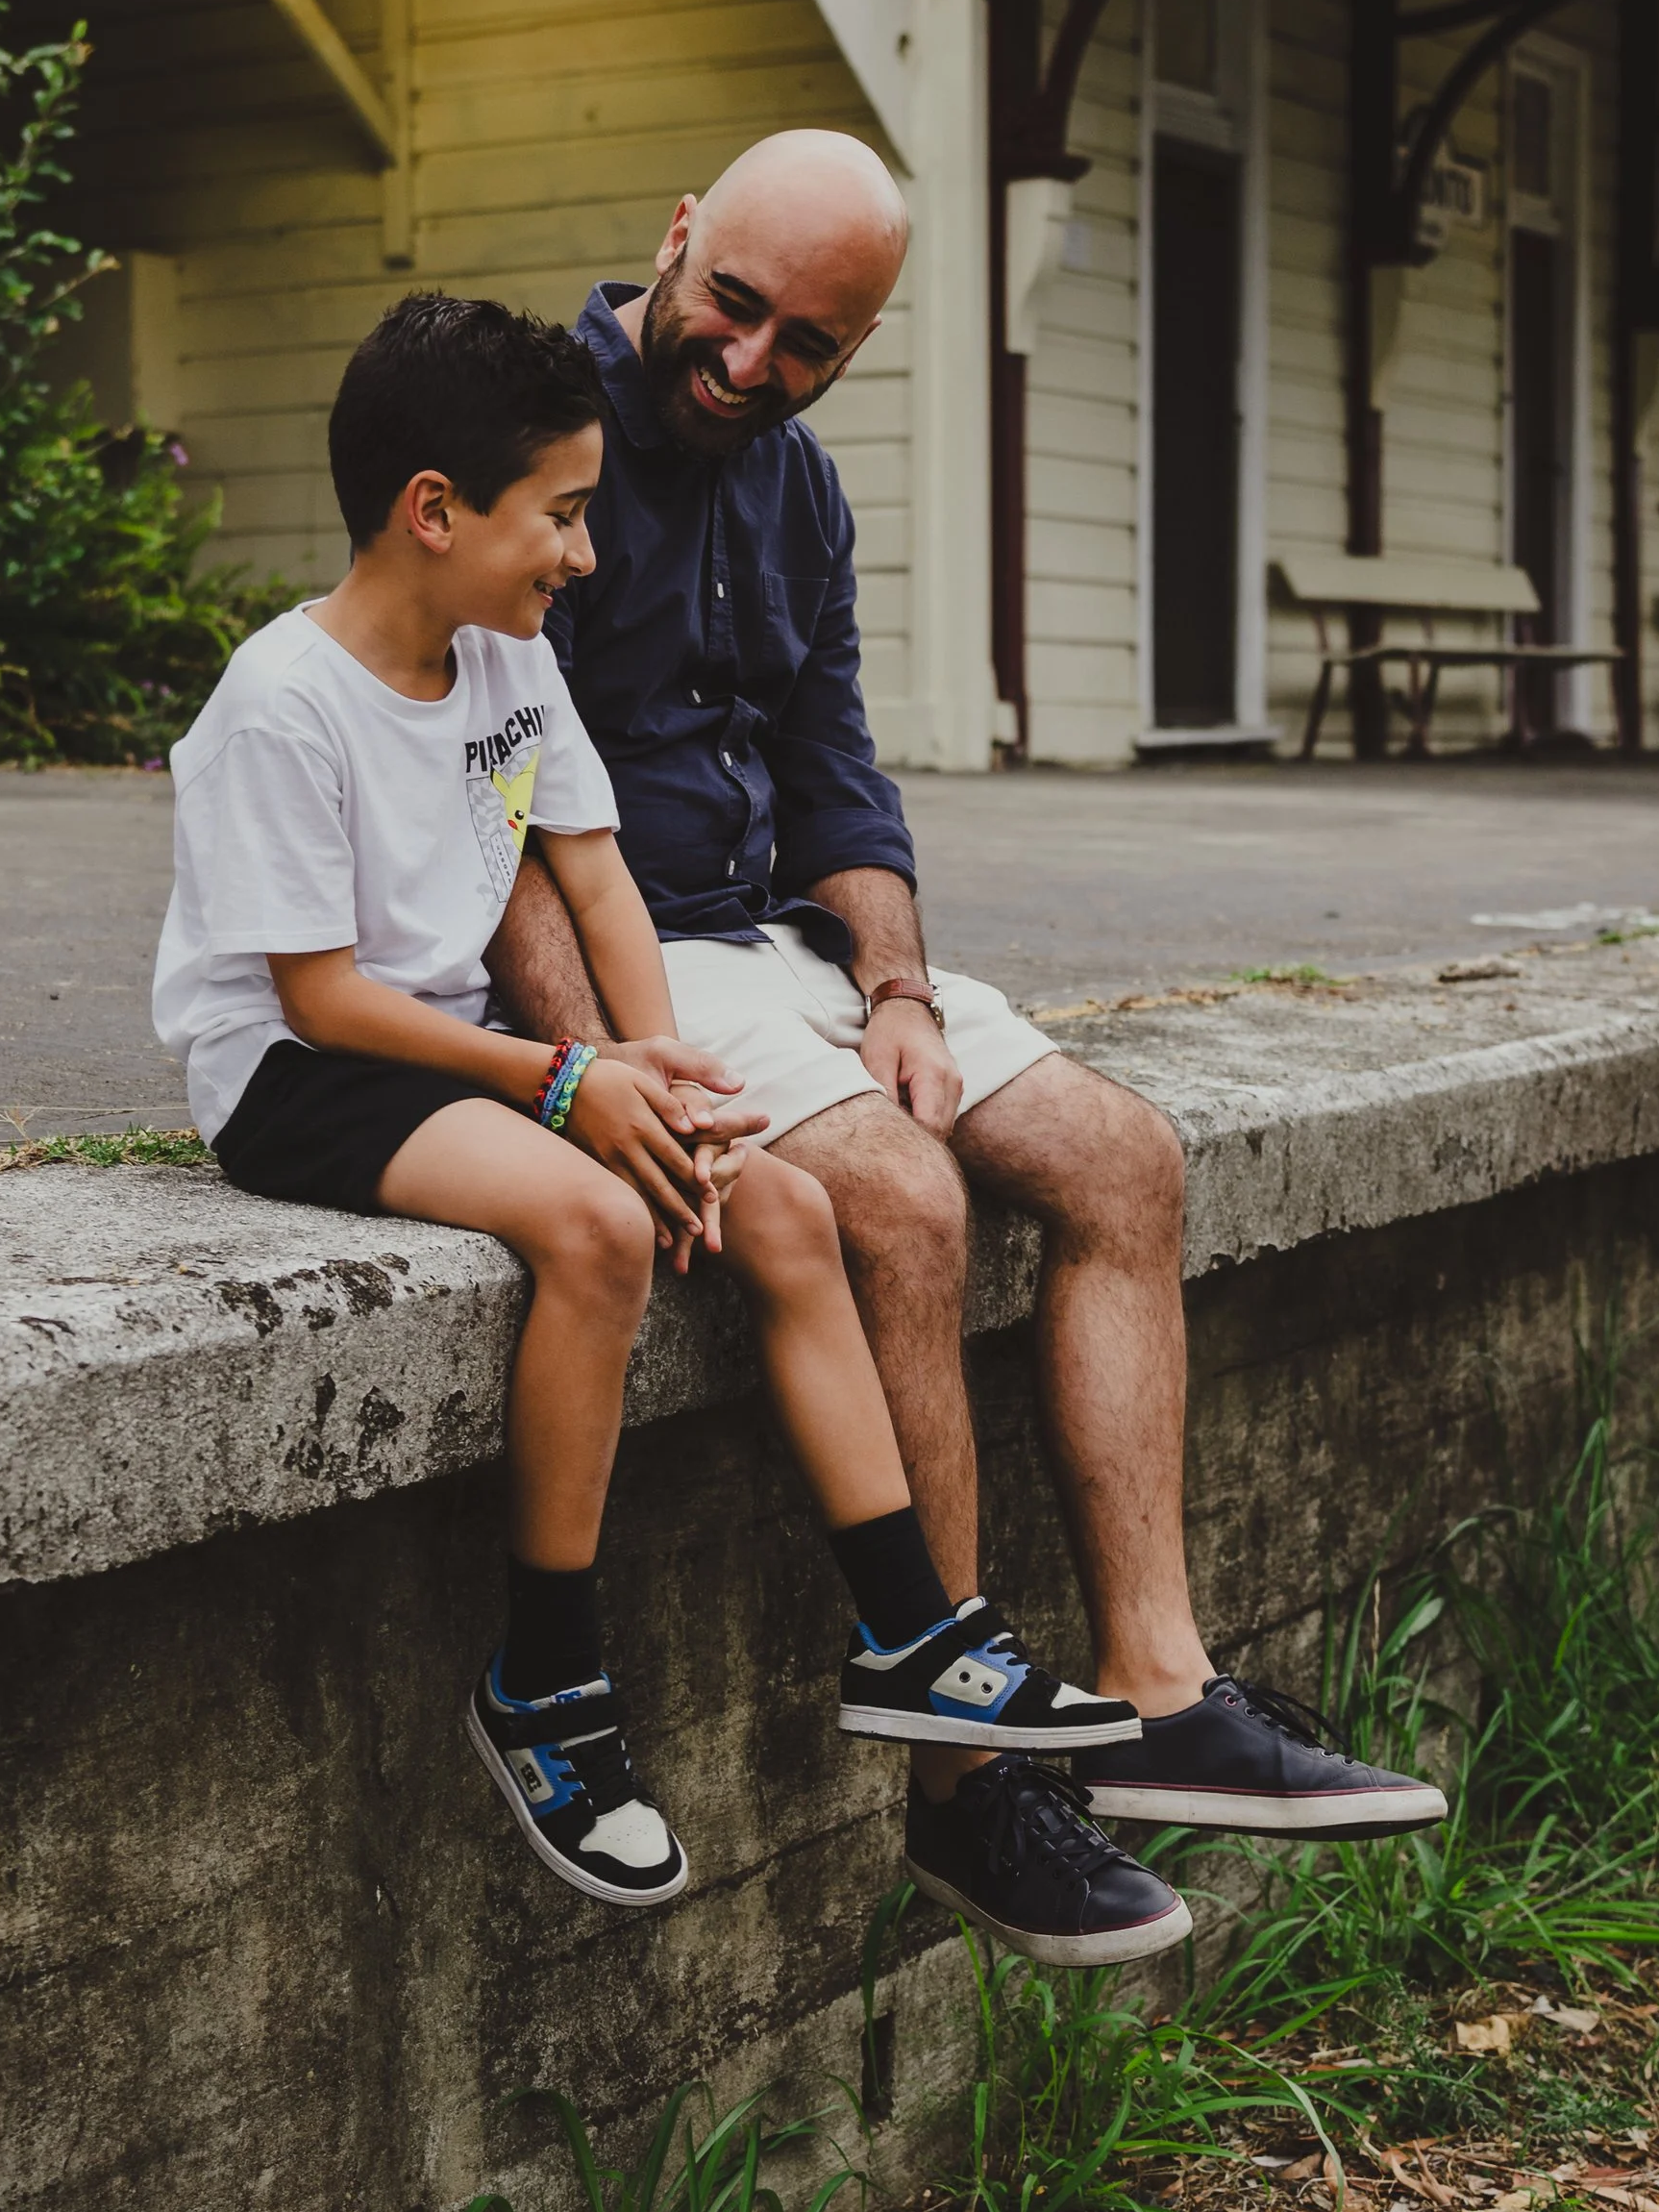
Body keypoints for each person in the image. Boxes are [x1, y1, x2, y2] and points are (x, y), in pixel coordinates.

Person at [485, 134, 1448, 1953]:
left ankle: (1160, 1691)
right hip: (645, 956)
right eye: (735, 308)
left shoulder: (804, 488)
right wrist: (594, 1066)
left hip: (791, 939)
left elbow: (841, 769)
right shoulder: (542, 434)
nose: (755, 364)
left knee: (1123, 1158)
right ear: (678, 230)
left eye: (813, 344)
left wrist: (907, 990)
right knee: (903, 1199)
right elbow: (483, 808)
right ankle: (967, 1791)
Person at [152, 291, 1176, 1951]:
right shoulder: (284, 699)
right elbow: (324, 1000)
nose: (583, 551)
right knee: (597, 1221)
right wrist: (568, 1082)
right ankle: (546, 1675)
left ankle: (914, 1630)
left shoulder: (507, 660)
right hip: (303, 1075)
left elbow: (595, 872)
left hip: (460, 1050)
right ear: (435, 510)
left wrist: (666, 1069)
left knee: (771, 1204)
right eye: (558, 514)